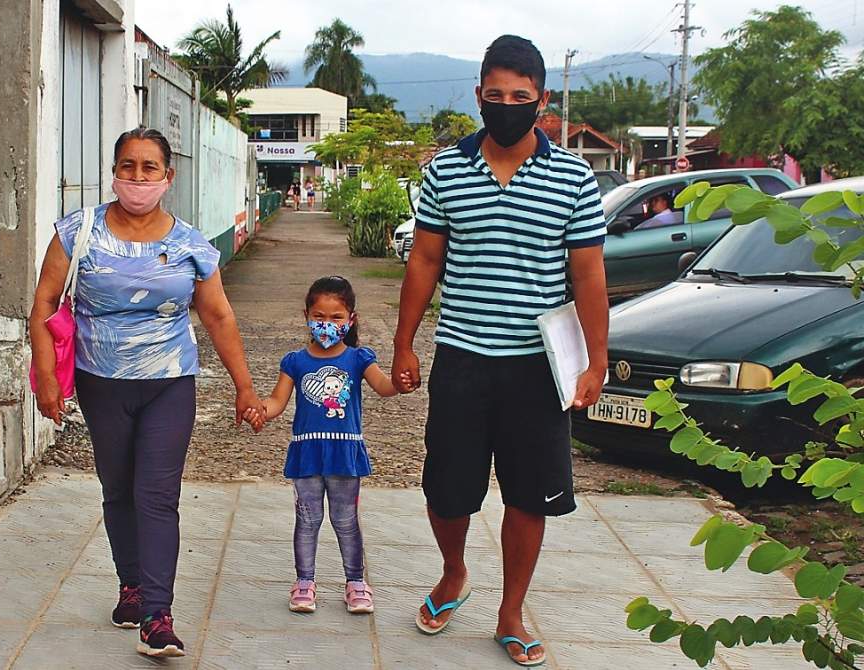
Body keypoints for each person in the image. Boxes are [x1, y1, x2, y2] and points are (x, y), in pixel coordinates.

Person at [391, 35, 608, 667]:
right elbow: (425, 259)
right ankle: (453, 571)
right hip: (461, 356)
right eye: (495, 95)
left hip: (537, 367)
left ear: (542, 100)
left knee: (528, 494)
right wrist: (405, 343)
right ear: (480, 96)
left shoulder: (573, 176)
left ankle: (511, 610)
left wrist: (596, 361)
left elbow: (588, 275)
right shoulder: (445, 171)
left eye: (521, 96)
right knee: (447, 490)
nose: (507, 105)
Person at [30, 127, 263, 659]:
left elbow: (219, 315)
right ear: (114, 171)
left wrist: (244, 386)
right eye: (127, 166)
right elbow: (43, 305)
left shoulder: (189, 245)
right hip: (100, 382)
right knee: (117, 488)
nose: (137, 177)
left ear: (167, 177)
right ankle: (130, 585)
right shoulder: (77, 231)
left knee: (156, 495)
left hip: (169, 384)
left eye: (148, 168)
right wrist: (46, 376)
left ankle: (157, 614)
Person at [245, 276, 407, 614]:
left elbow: (383, 386)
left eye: (336, 318)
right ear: (306, 315)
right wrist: (259, 410)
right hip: (306, 453)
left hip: (345, 454)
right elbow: (277, 401)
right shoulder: (295, 362)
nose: (327, 325)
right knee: (307, 519)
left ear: (351, 320)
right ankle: (304, 582)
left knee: (346, 520)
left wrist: (401, 382)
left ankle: (356, 583)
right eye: (319, 316)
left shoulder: (359, 359)